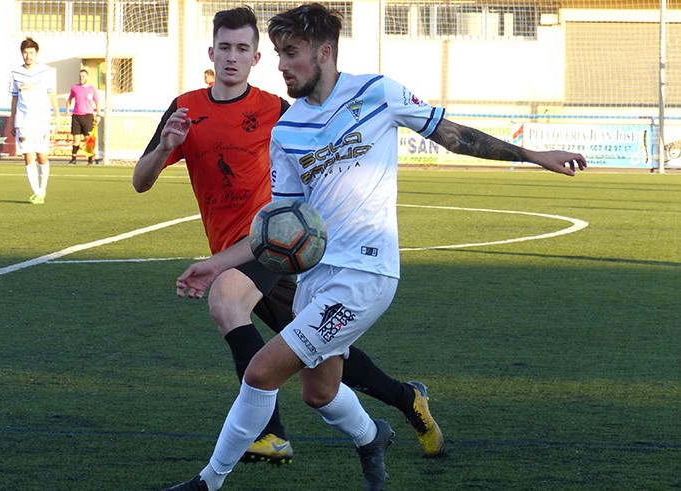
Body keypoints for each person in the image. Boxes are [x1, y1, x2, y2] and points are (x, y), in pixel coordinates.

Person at [169, 3, 588, 491]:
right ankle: (374, 436)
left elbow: (453, 135)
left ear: (323, 52)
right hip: (316, 278)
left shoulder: (378, 93)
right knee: (320, 392)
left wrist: (533, 155)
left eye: (291, 53)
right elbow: (275, 230)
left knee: (261, 372)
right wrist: (215, 265)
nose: (280, 64)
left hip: (366, 276)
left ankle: (208, 482)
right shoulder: (285, 133)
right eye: (279, 53)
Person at [133, 5, 442, 474]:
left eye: (243, 49)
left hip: (276, 245)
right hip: (264, 252)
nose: (232, 57)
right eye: (224, 48)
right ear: (210, 52)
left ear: (256, 58)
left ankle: (269, 431)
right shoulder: (186, 108)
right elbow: (140, 180)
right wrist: (164, 147)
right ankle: (406, 399)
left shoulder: (278, 110)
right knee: (316, 355)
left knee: (226, 300)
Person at [8, 37, 60, 205]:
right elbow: (14, 99)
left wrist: (57, 116)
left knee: (41, 155)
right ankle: (36, 192)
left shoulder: (47, 72)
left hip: (42, 120)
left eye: (31, 53)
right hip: (23, 121)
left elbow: (52, 94)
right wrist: (12, 120)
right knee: (28, 156)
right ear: (21, 54)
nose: (28, 56)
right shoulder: (15, 73)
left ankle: (42, 189)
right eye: (25, 53)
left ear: (36, 53)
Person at [66, 68, 100, 165]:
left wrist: (98, 115)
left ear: (87, 77)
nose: (81, 78)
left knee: (87, 138)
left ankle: (90, 159)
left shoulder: (92, 89)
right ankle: (73, 158)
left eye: (83, 76)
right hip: (76, 116)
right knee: (76, 138)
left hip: (88, 116)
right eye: (80, 76)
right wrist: (68, 109)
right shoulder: (75, 88)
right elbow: (69, 99)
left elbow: (97, 102)